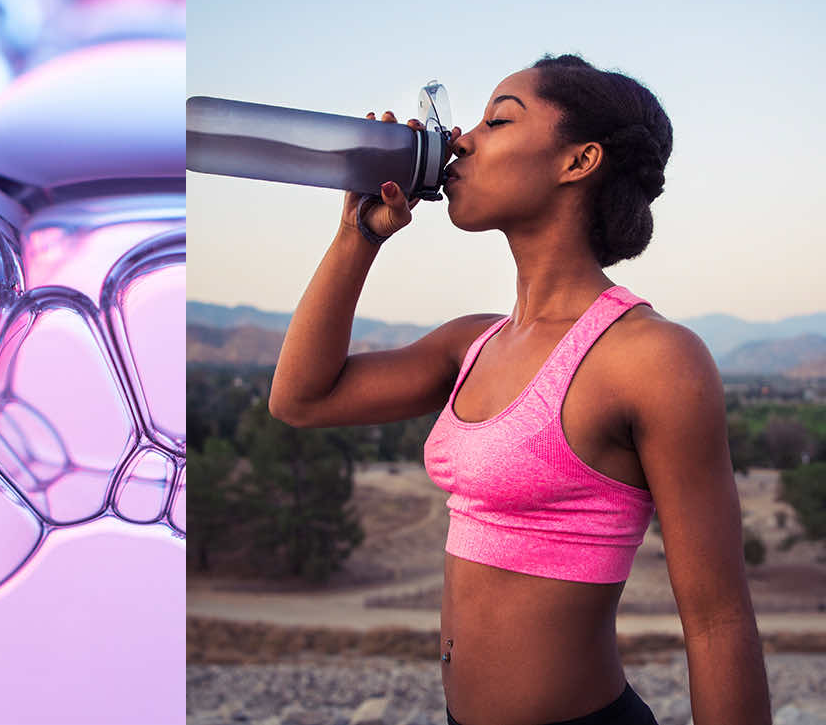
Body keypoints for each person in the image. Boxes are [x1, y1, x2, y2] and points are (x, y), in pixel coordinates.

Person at [268, 54, 771, 724]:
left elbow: (718, 621)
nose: (461, 140)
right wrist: (357, 235)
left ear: (578, 161)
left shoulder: (652, 359)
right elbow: (300, 399)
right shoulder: (469, 344)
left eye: (498, 118)